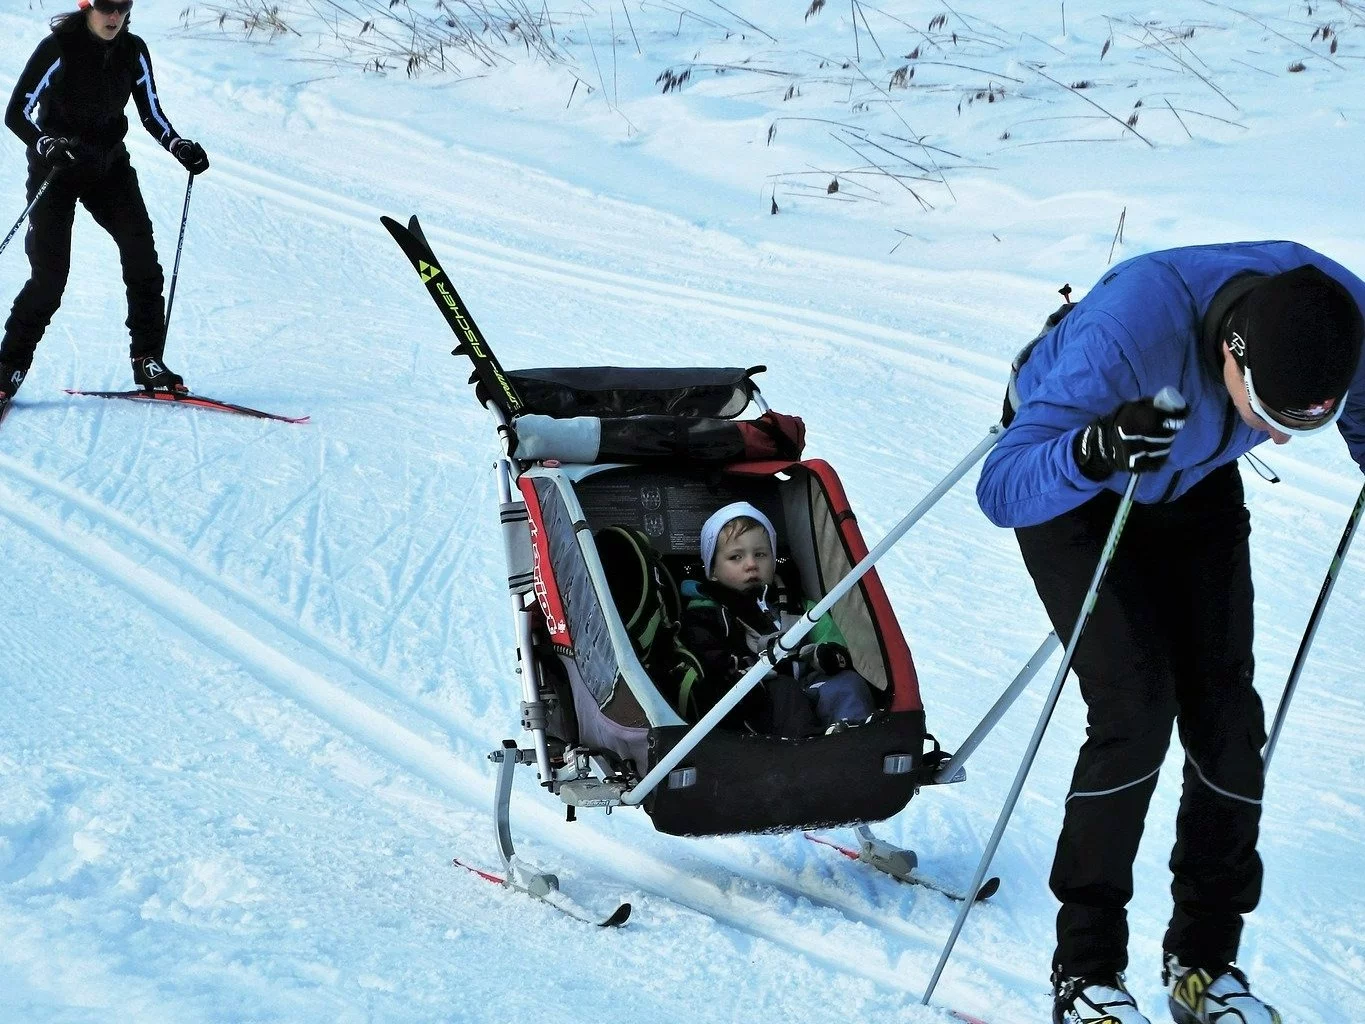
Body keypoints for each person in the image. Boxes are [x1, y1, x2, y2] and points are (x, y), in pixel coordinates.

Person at [977, 243, 1365, 1024]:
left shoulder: (1339, 323)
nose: (1280, 442)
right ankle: (1085, 974)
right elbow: (1002, 487)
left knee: (1227, 723)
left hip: (1190, 475)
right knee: (1134, 710)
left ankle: (1203, 963)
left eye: (1301, 426)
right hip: (1078, 479)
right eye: (1269, 418)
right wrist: (1092, 451)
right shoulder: (1128, 335)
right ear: (1232, 352)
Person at [0, 0, 211, 413]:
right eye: (106, 8)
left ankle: (148, 360)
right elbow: (16, 113)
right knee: (49, 277)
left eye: (122, 7)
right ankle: (6, 369)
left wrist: (178, 145)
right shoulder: (58, 47)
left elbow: (152, 113)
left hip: (108, 168)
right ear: (87, 7)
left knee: (143, 261)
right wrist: (46, 142)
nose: (114, 16)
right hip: (57, 171)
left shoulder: (133, 50)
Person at [680, 501, 877, 736]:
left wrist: (829, 655)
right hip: (755, 698)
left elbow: (833, 642)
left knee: (848, 684)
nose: (751, 564)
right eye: (736, 557)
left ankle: (854, 737)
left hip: (811, 682)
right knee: (784, 691)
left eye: (761, 554)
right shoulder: (706, 613)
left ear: (774, 560)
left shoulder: (801, 606)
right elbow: (708, 654)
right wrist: (744, 669)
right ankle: (807, 749)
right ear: (712, 570)